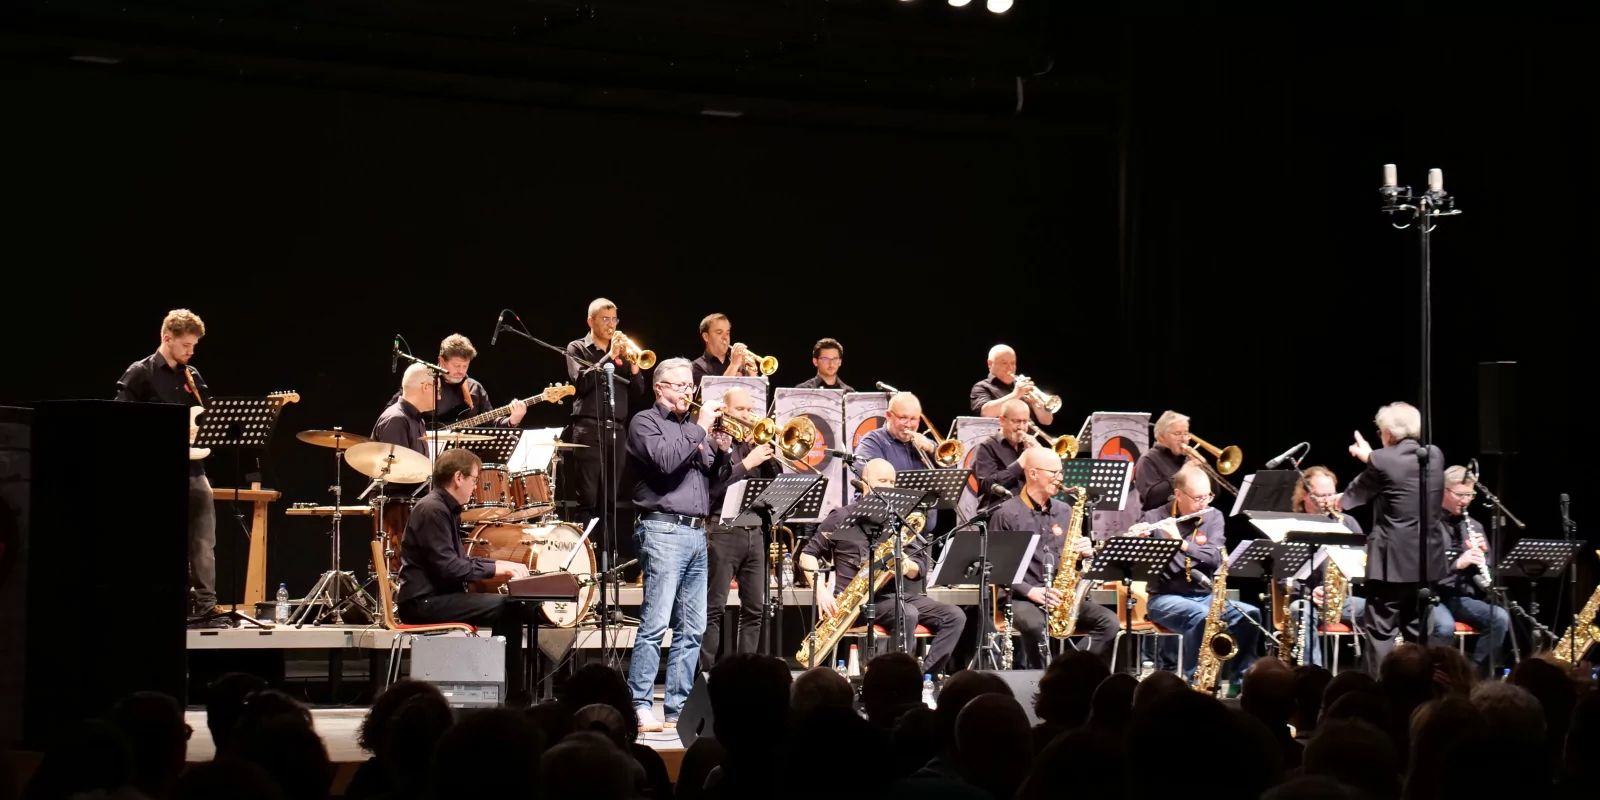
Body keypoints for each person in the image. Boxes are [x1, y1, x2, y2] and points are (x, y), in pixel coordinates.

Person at [625, 357, 727, 732]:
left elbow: (714, 485)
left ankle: (679, 708)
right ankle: (638, 703)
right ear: (660, 388)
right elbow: (667, 463)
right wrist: (700, 430)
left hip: (697, 532)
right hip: (662, 530)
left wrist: (723, 449)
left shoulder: (693, 430)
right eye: (681, 385)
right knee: (654, 625)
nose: (689, 392)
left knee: (693, 629)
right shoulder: (645, 423)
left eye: (690, 386)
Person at [798, 459, 966, 675]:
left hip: (897, 595)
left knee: (955, 615)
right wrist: (820, 590)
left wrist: (905, 566)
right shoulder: (841, 516)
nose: (888, 486)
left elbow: (921, 567)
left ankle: (925, 676)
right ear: (865, 482)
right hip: (856, 601)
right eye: (882, 480)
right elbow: (807, 556)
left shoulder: (901, 520)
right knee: (907, 613)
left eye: (891, 481)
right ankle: (894, 679)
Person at [393, 448, 534, 702]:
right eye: (474, 480)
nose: (475, 487)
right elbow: (449, 569)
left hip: (433, 598)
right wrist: (496, 568)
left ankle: (500, 686)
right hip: (423, 602)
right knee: (509, 608)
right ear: (458, 477)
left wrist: (498, 564)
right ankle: (511, 695)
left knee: (511, 606)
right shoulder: (432, 510)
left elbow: (458, 562)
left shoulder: (443, 509)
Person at [1286, 466, 1457, 668]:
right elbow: (1283, 580)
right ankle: (1311, 676)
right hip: (1307, 601)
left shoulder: (1347, 522)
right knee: (1301, 610)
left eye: (1332, 494)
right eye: (1322, 496)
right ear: (1305, 495)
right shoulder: (1290, 526)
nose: (1329, 500)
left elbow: (1365, 563)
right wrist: (1309, 593)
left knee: (1388, 612)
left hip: (1343, 600)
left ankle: (1389, 674)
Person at [115, 309, 223, 626]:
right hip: (155, 471)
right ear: (167, 339)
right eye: (186, 345)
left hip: (194, 469)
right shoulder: (141, 373)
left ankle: (206, 604)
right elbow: (118, 421)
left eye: (194, 346)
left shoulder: (193, 376)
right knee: (160, 540)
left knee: (204, 540)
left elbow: (207, 419)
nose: (191, 351)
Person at [1331, 401, 1447, 666]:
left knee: (1381, 632)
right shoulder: (1435, 455)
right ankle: (1424, 691)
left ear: (1388, 434)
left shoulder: (1382, 459)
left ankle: (1382, 692)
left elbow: (1352, 498)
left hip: (1391, 563)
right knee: (1419, 632)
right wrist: (1372, 457)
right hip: (1426, 562)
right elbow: (1396, 470)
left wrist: (1341, 498)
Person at [990, 447, 1119, 667]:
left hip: (1061, 595)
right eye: (1054, 473)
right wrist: (1031, 591)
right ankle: (1042, 681)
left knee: (1110, 622)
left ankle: (1072, 669)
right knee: (1035, 626)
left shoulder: (1065, 511)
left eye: (1061, 472)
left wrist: (1085, 552)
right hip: (1021, 596)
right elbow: (996, 567)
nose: (1060, 479)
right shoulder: (1006, 514)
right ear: (1032, 474)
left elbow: (1074, 561)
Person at [1137, 464, 1262, 681]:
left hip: (1205, 596)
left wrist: (1180, 544)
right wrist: (1138, 541)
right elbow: (1155, 565)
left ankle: (1240, 680)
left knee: (1250, 614)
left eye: (1208, 496)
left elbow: (1214, 558)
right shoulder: (1153, 517)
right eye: (1197, 498)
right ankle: (1197, 681)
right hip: (1165, 599)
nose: (1204, 503)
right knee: (1201, 617)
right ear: (1178, 494)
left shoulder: (1213, 516)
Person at [700, 386, 781, 669]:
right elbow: (714, 487)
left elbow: (773, 483)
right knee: (714, 608)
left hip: (755, 531)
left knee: (755, 609)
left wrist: (768, 455)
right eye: (740, 410)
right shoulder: (715, 441)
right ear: (725, 411)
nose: (748, 416)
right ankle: (705, 675)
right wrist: (747, 461)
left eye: (750, 410)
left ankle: (746, 674)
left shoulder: (752, 443)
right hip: (722, 531)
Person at [564, 298, 648, 532]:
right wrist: (609, 355)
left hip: (617, 430)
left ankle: (608, 558)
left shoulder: (622, 352)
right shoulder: (577, 348)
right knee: (588, 499)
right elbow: (582, 382)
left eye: (614, 319)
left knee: (610, 499)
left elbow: (638, 392)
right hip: (589, 429)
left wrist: (633, 365)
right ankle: (586, 557)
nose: (611, 325)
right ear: (590, 321)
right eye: (605, 319)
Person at [1436, 464, 1510, 675]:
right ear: (1444, 491)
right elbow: (1421, 567)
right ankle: (1433, 679)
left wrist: (1483, 557)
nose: (1466, 500)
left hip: (1460, 596)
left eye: (1471, 495)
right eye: (1461, 494)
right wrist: (1457, 563)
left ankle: (1475, 677)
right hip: (1432, 594)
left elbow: (1485, 574)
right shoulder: (1429, 525)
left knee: (1500, 618)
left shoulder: (1474, 526)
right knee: (1444, 627)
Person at [383, 334, 525, 427]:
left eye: (465, 366)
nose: (461, 371)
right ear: (441, 361)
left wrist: (513, 420)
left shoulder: (474, 388)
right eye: (457, 366)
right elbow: (395, 412)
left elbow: (491, 422)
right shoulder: (425, 382)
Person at [854, 391, 949, 528]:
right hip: (882, 528)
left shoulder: (925, 444)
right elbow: (874, 481)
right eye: (903, 418)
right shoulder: (872, 442)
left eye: (913, 419)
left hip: (922, 533)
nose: (908, 425)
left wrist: (932, 450)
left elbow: (950, 477)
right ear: (888, 416)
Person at [970, 399, 1034, 511]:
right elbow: (987, 485)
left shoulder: (1028, 445)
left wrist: (1040, 454)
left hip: (1028, 510)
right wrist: (1019, 464)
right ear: (1002, 420)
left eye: (1025, 422)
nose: (1021, 427)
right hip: (999, 513)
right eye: (1016, 421)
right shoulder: (986, 446)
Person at [1134, 410, 1202, 512]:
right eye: (1178, 434)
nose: (1184, 439)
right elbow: (1151, 498)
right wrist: (1182, 475)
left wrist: (1204, 468)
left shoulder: (1187, 458)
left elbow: (1216, 492)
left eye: (1186, 433)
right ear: (1161, 436)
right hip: (1161, 521)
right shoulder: (1148, 460)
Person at [969, 344, 1055, 426]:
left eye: (1013, 363)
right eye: (1004, 363)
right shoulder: (981, 387)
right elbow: (986, 413)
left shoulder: (1021, 386)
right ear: (990, 364)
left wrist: (1035, 402)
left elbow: (1047, 421)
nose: (1010, 367)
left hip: (1028, 439)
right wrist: (1016, 394)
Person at [691, 313, 761, 383]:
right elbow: (718, 392)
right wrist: (733, 366)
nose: (725, 337)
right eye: (719, 332)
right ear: (706, 337)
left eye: (727, 333)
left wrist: (752, 373)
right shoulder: (697, 367)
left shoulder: (738, 362)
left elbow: (757, 392)